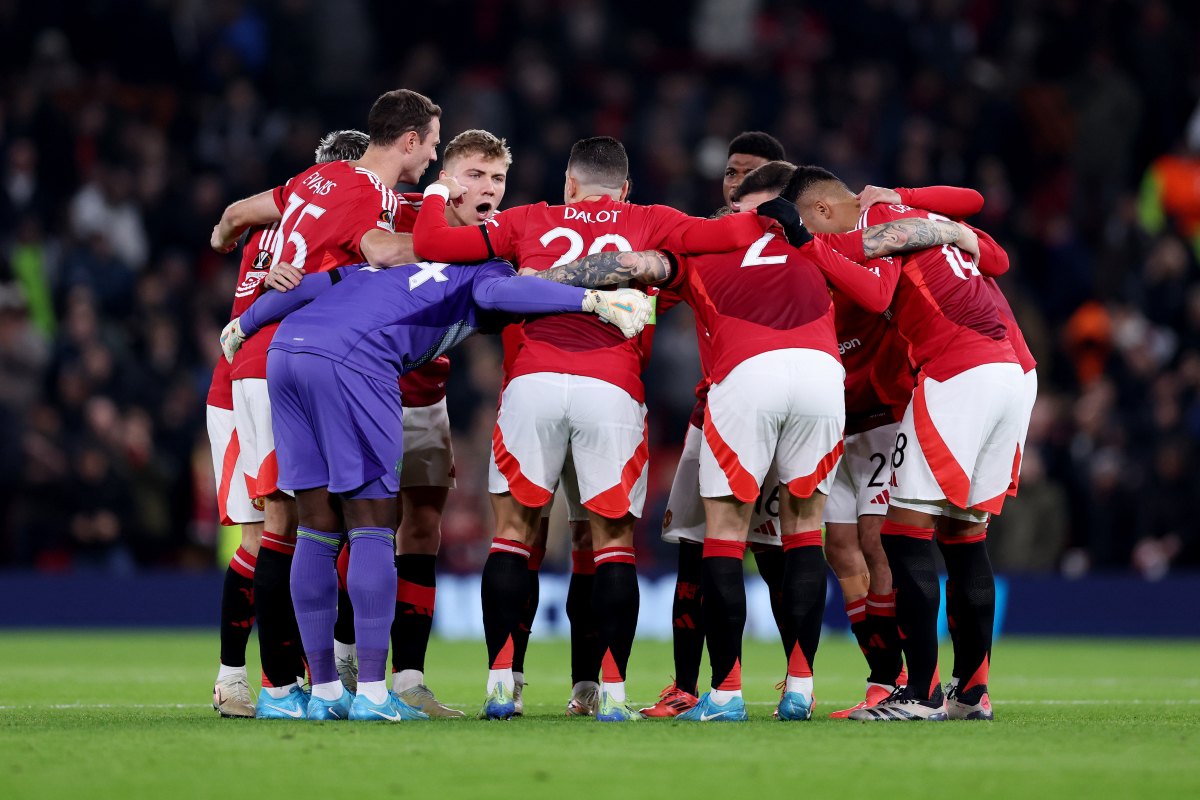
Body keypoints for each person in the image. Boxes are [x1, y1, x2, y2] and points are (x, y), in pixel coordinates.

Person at [528, 161, 974, 721]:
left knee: (725, 535)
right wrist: (958, 232)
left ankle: (727, 693)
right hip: (820, 376)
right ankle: (801, 689)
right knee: (805, 533)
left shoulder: (698, 255)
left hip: (745, 376)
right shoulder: (818, 242)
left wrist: (539, 280)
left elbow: (623, 264)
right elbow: (903, 234)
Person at [412, 136, 784, 721]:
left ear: (570, 185)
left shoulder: (527, 220)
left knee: (513, 536)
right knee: (610, 545)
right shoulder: (651, 220)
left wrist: (437, 189)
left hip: (531, 382)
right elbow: (736, 234)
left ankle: (502, 686)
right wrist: (776, 212)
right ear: (626, 189)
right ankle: (607, 693)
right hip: (611, 388)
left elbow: (431, 241)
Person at [219, 257, 652, 721]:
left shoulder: (379, 267)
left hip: (286, 352)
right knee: (372, 526)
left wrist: (244, 322)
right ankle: (370, 694)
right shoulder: (484, 274)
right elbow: (503, 294)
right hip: (355, 360)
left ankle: (317, 692)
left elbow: (308, 288)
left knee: (316, 527)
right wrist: (594, 301)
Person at [209, 88, 439, 719]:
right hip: (304, 355)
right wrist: (469, 249)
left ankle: (271, 684)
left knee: (285, 530)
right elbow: (382, 250)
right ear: (409, 141)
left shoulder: (308, 181)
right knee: (318, 526)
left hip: (252, 361)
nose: (434, 157)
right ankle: (289, 688)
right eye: (433, 144)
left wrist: (225, 239)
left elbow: (231, 215)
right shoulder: (376, 197)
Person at [797, 166, 1025, 721]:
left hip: (959, 368)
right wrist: (912, 201)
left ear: (823, 210)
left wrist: (805, 244)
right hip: (1015, 369)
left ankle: (917, 695)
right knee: (965, 533)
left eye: (808, 222)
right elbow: (995, 254)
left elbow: (875, 294)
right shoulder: (919, 216)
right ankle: (972, 694)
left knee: (904, 531)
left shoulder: (865, 234)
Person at [327, 129, 514, 718]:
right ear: (446, 176)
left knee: (422, 526)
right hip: (361, 387)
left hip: (426, 394)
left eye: (496, 179)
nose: (486, 189)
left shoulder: (496, 236)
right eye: (474, 175)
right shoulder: (399, 212)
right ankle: (342, 657)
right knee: (351, 523)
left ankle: (408, 677)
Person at [207, 128, 371, 718]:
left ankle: (290, 673)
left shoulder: (278, 218)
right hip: (256, 379)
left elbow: (229, 217)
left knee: (300, 526)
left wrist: (223, 234)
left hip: (255, 376)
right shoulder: (341, 220)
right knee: (283, 528)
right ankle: (255, 678)